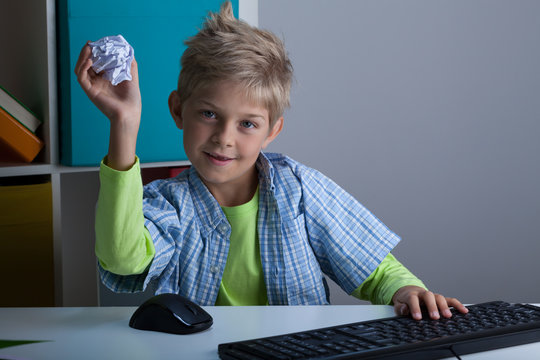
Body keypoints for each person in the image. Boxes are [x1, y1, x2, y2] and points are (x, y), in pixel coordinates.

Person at [74, 1, 467, 320]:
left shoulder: (299, 190)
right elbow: (123, 261)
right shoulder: (170, 203)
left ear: (272, 131)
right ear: (178, 110)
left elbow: (374, 269)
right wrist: (124, 123)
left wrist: (408, 290)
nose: (224, 138)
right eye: (209, 114)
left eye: (247, 123)